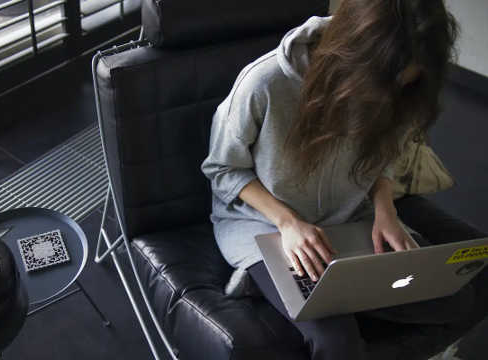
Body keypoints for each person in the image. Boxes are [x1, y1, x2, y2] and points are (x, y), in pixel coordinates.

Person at [201, 0, 488, 359]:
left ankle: (334, 293)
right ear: (356, 55)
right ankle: (271, 278)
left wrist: (386, 210)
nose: (391, 98)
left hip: (351, 217)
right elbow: (222, 170)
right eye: (386, 86)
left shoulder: (400, 88)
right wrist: (288, 223)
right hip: (265, 225)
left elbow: (383, 156)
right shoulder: (265, 83)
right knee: (337, 344)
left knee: (456, 302)